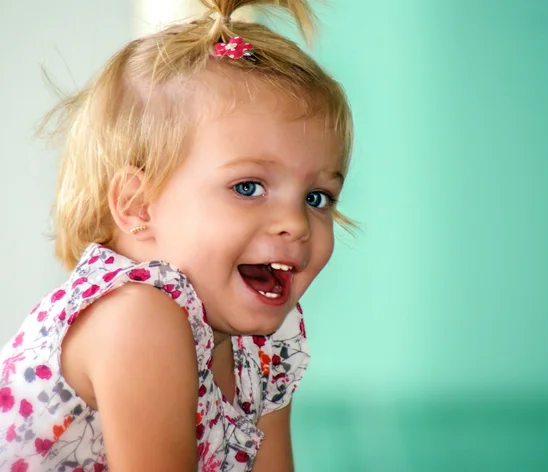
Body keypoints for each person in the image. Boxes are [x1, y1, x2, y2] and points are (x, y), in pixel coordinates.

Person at [0, 0, 353, 470]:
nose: (296, 223)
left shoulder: (264, 345)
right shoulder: (138, 316)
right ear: (137, 205)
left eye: (316, 198)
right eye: (248, 187)